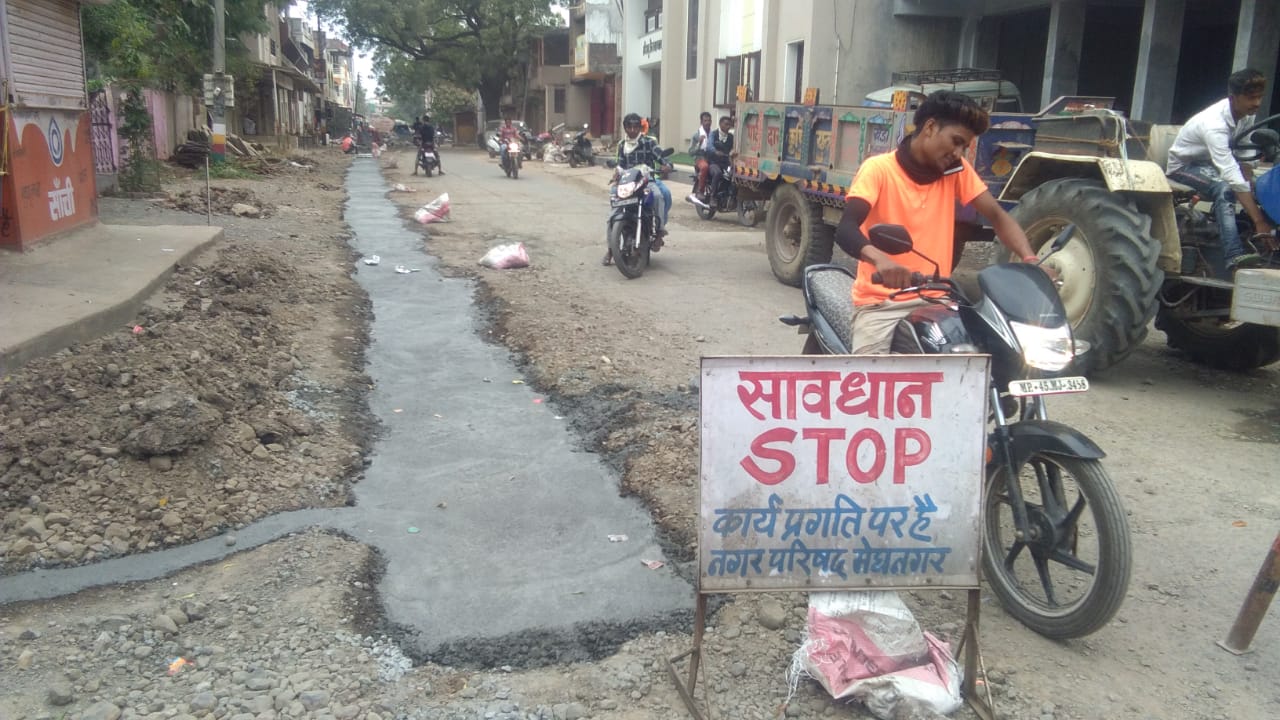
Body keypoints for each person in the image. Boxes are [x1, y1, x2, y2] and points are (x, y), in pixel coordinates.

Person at [835, 90, 1040, 354]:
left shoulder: (956, 172)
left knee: (987, 364)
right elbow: (846, 228)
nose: (958, 153)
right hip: (881, 304)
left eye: (964, 147)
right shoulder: (879, 169)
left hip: (938, 300)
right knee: (872, 384)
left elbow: (998, 216)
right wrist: (881, 260)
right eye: (955, 141)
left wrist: (1030, 260)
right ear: (930, 127)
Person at [1167, 68, 1273, 276]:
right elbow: (1229, 170)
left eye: (1260, 97)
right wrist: (1259, 220)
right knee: (1225, 189)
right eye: (1251, 98)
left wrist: (1250, 180)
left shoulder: (1246, 115)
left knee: (1256, 186)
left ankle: (1249, 237)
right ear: (1233, 98)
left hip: (1210, 165)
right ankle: (1233, 255)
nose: (1257, 103)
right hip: (1184, 167)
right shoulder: (1214, 125)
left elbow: (1243, 149)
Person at [603, 112, 673, 266]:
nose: (633, 130)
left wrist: (667, 165)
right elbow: (620, 164)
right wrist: (616, 172)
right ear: (625, 128)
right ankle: (610, 249)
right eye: (630, 126)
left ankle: (660, 231)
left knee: (659, 196)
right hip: (627, 184)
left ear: (640, 128)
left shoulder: (648, 142)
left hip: (646, 181)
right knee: (612, 214)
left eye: (636, 126)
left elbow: (661, 156)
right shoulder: (622, 145)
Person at [705, 115, 736, 201]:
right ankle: (712, 197)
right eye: (726, 124)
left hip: (726, 163)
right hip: (713, 162)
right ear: (720, 124)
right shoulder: (713, 134)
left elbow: (734, 148)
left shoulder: (731, 137)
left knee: (735, 174)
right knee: (717, 173)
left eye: (729, 125)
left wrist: (733, 152)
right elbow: (709, 146)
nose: (728, 127)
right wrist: (715, 151)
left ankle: (730, 195)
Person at [687, 111, 713, 207]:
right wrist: (699, 144)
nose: (707, 122)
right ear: (701, 122)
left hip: (711, 158)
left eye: (709, 120)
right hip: (700, 158)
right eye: (705, 120)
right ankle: (700, 191)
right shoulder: (696, 135)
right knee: (705, 167)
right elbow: (690, 152)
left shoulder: (713, 134)